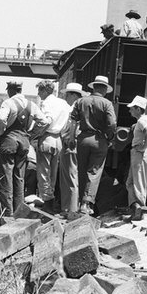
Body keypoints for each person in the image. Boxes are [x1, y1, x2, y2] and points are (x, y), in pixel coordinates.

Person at [70, 75, 118, 215]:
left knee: (82, 170)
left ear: (94, 87)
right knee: (94, 172)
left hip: (83, 139)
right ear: (104, 90)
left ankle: (80, 203)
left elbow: (73, 121)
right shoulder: (107, 104)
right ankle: (86, 203)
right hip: (99, 141)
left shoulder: (81, 101)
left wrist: (72, 137)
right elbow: (112, 124)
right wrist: (109, 137)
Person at [0, 80, 39, 215]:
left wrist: (0, 133)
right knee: (19, 177)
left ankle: (7, 212)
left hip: (9, 141)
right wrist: (31, 134)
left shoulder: (8, 103)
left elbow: (1, 119)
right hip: (24, 142)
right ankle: (19, 211)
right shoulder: (32, 104)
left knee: (6, 176)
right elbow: (44, 121)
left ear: (10, 90)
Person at [32, 80, 70, 210]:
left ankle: (47, 201)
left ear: (45, 90)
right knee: (53, 173)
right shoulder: (64, 103)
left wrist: (34, 135)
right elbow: (68, 124)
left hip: (47, 137)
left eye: (40, 91)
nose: (38, 94)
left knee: (43, 173)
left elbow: (47, 121)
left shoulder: (46, 103)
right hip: (58, 139)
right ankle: (51, 200)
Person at [125, 95, 147, 221]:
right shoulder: (145, 119)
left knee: (138, 183)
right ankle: (135, 208)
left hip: (140, 154)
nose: (130, 110)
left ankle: (139, 211)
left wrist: (143, 147)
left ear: (138, 109)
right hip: (140, 153)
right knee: (130, 182)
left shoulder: (142, 121)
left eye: (132, 108)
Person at [57, 83, 84, 218]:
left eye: (67, 94)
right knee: (71, 176)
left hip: (70, 144)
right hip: (73, 143)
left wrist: (69, 139)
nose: (66, 97)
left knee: (69, 177)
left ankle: (70, 209)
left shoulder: (75, 108)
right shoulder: (80, 107)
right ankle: (70, 208)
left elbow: (72, 127)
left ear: (73, 95)